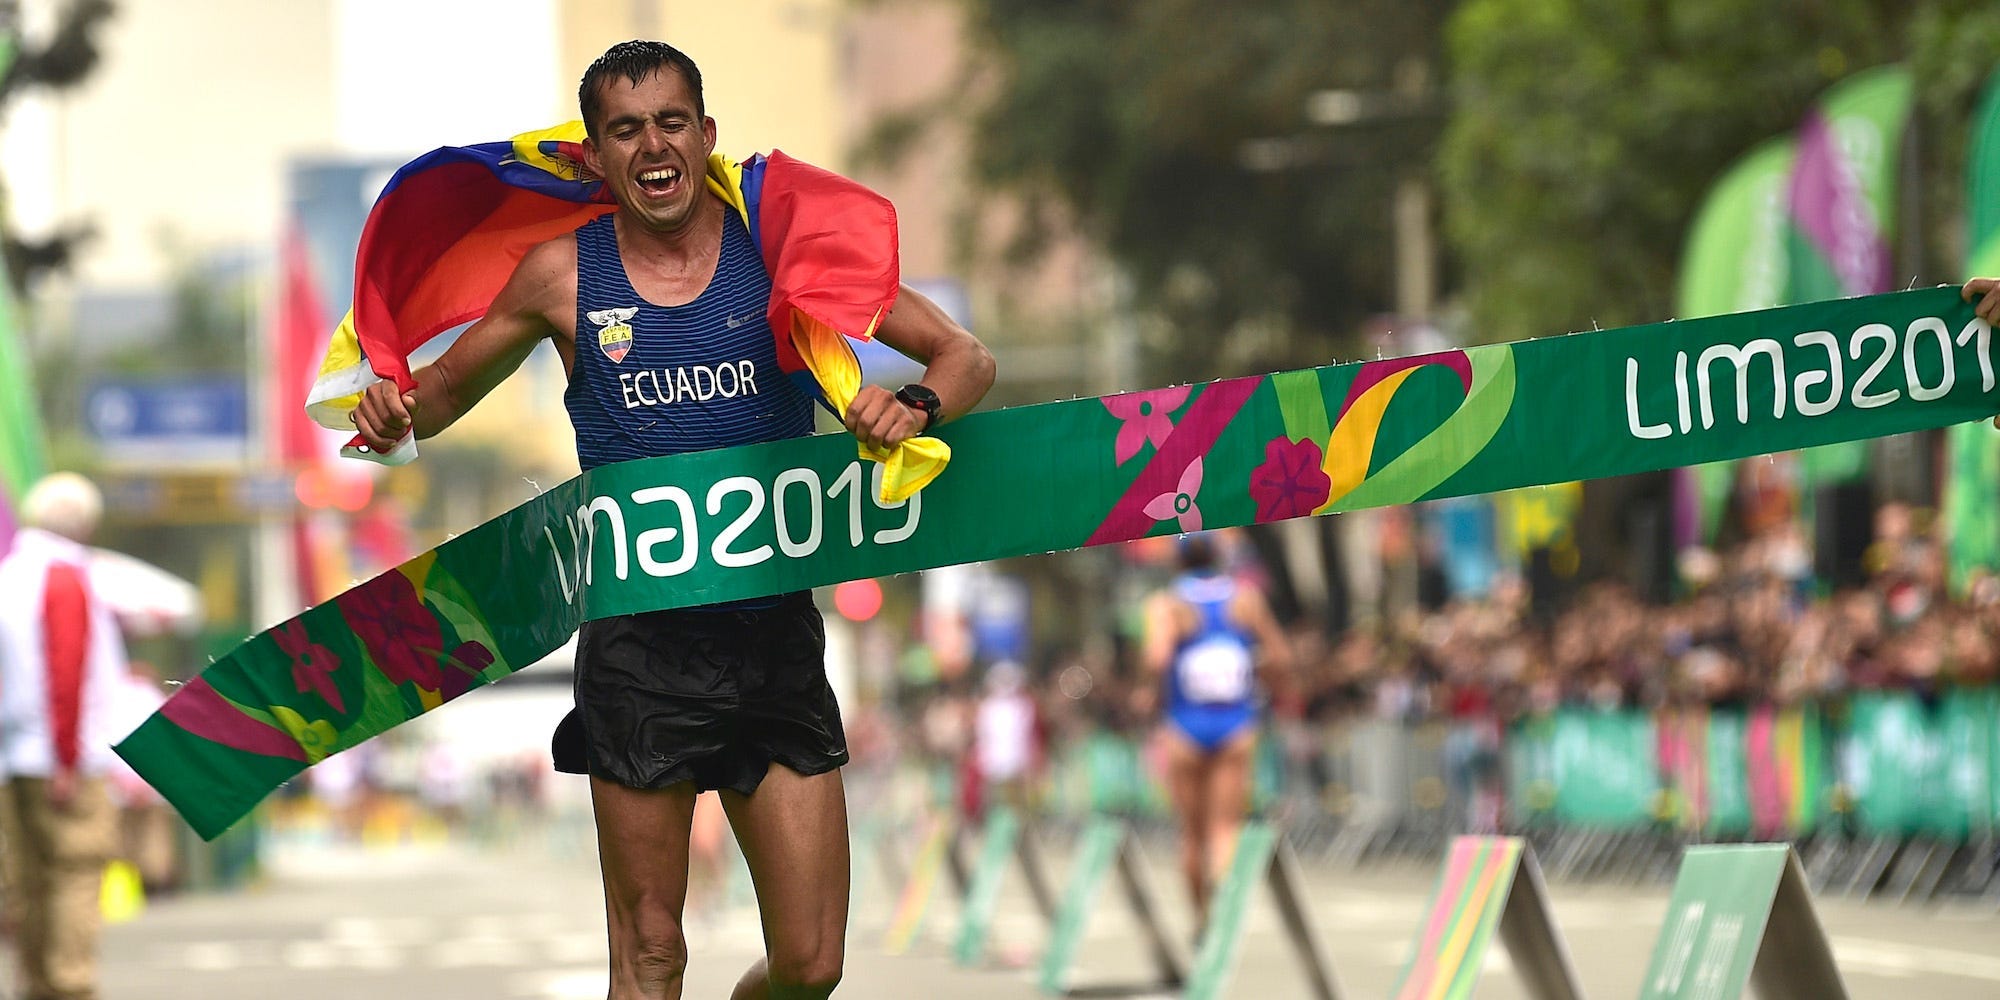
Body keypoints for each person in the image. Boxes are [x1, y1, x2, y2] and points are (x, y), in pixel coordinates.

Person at [352, 40, 995, 1000]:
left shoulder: (779, 251)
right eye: (625, 129)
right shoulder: (559, 277)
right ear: (597, 157)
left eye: (670, 121)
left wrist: (914, 408)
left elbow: (963, 356)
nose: (653, 145)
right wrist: (391, 411)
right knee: (652, 958)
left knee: (812, 967)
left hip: (773, 637)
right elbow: (435, 396)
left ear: (705, 135)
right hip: (640, 654)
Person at [0, 473, 127, 1000]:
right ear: (84, 523)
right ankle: (69, 986)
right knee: (75, 874)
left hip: (12, 758)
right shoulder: (63, 577)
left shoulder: (9, 576)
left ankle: (34, 986)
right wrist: (68, 760)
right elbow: (66, 668)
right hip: (58, 755)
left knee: (26, 886)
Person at [1138, 532, 1290, 928]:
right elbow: (1280, 655)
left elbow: (1156, 659)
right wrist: (1253, 672)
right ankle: (1223, 905)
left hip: (1184, 725)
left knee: (1190, 833)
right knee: (1225, 827)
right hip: (1235, 722)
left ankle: (1201, 916)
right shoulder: (1245, 598)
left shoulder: (1167, 604)